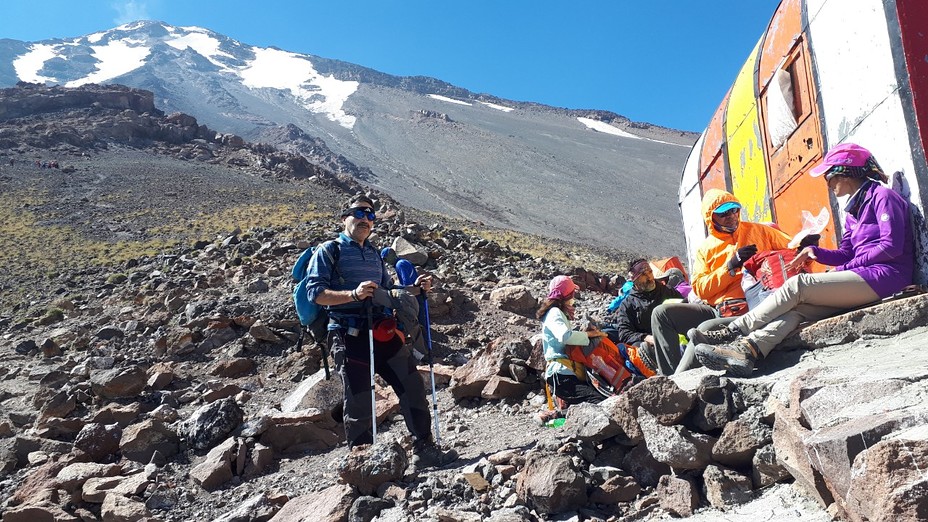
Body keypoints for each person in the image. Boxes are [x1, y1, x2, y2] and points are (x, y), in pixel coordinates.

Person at [693, 143, 914, 376]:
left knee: (799, 285)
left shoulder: (883, 197)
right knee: (798, 311)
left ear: (845, 173)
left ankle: (735, 329)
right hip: (865, 277)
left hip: (887, 276)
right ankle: (747, 350)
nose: (827, 183)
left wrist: (844, 268)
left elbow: (891, 247)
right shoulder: (852, 212)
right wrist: (814, 252)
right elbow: (847, 252)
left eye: (828, 176)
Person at [305, 194, 457, 466]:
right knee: (359, 396)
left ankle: (424, 447)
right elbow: (315, 293)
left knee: (411, 384)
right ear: (344, 218)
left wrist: (415, 290)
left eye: (370, 215)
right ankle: (363, 465)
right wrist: (353, 294)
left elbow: (387, 292)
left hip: (381, 330)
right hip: (347, 332)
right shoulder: (329, 250)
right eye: (359, 213)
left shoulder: (374, 252)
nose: (365, 219)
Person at [648, 189, 793, 375]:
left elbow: (792, 248)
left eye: (734, 210)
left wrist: (807, 244)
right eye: (724, 213)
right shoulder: (706, 249)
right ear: (711, 218)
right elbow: (700, 289)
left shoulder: (760, 231)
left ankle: (679, 380)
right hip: (717, 308)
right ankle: (670, 373)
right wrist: (730, 267)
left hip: (750, 306)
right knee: (661, 313)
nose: (731, 216)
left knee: (703, 330)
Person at [537, 275, 605, 423]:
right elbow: (565, 336)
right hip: (561, 374)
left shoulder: (556, 313)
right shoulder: (555, 313)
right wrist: (589, 335)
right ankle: (554, 416)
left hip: (564, 373)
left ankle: (559, 415)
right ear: (567, 295)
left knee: (593, 400)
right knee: (597, 401)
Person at [604, 259, 683, 371]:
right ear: (635, 279)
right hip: (650, 343)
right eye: (644, 275)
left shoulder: (667, 291)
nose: (650, 277)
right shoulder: (628, 304)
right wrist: (647, 338)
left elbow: (684, 308)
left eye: (650, 272)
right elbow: (624, 333)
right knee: (638, 347)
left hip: (676, 337)